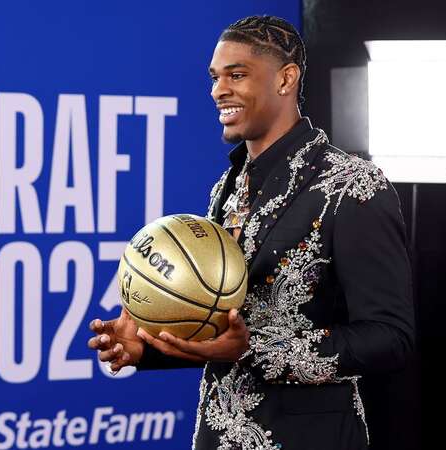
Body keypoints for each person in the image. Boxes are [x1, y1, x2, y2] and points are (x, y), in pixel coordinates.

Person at [88, 15, 414, 450]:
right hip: (217, 437)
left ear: (286, 78)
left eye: (236, 75)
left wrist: (253, 350)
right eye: (215, 77)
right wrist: (145, 346)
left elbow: (390, 338)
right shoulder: (225, 188)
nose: (217, 90)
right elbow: (215, 330)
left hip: (311, 438)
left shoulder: (352, 186)